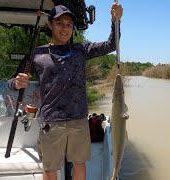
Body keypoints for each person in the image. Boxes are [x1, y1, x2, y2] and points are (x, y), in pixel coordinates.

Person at [8, 3, 123, 180]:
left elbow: (110, 45)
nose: (65, 28)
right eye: (60, 23)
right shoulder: (37, 55)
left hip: (78, 119)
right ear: (50, 25)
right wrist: (16, 82)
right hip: (51, 122)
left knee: (79, 163)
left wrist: (115, 21)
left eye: (69, 24)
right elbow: (12, 82)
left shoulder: (80, 50)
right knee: (50, 168)